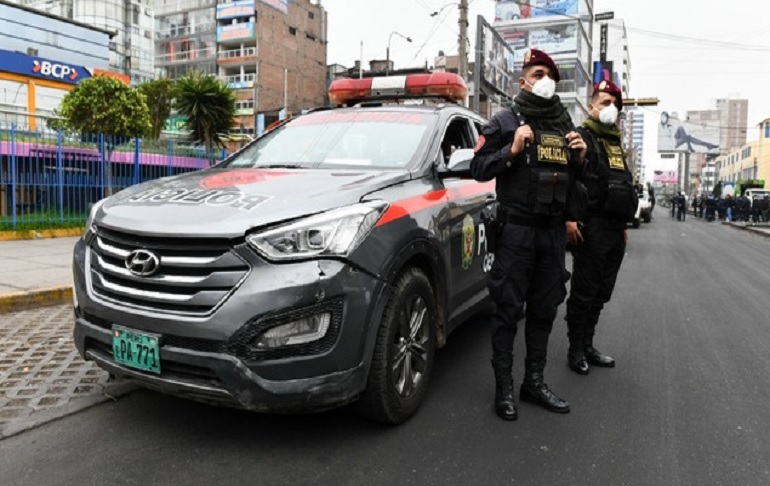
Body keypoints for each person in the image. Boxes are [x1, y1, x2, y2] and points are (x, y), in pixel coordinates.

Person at [471, 48, 587, 421]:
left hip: (551, 236)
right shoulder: (506, 121)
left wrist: (582, 160)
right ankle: (504, 388)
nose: (545, 80)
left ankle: (533, 383)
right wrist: (512, 149)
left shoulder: (564, 126)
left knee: (544, 310)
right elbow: (478, 167)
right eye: (537, 74)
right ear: (522, 82)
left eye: (550, 75)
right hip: (516, 233)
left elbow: (577, 184)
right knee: (507, 311)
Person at [564, 80, 636, 376]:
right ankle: (575, 349)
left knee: (602, 292)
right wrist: (569, 219)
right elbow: (568, 176)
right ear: (591, 106)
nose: (611, 108)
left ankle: (588, 344)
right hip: (590, 226)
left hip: (614, 228)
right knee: (584, 291)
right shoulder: (582, 136)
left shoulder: (615, 141)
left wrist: (623, 224)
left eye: (614, 104)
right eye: (605, 103)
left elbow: (622, 183)